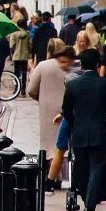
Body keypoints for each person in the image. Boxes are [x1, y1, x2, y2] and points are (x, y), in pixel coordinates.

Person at [60, 48, 106, 211]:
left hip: (78, 134)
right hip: (99, 133)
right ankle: (90, 206)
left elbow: (66, 110)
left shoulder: (72, 85)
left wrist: (73, 124)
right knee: (96, 169)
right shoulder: (104, 84)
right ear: (96, 64)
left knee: (82, 170)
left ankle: (88, 201)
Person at [25, 39, 74, 188]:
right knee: (63, 143)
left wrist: (41, 97)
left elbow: (31, 89)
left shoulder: (42, 66)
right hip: (67, 106)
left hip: (47, 108)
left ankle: (51, 177)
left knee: (48, 144)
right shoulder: (70, 65)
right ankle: (61, 176)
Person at [7, 20, 31, 94]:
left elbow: (12, 45)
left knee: (16, 72)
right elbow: (30, 44)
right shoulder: (27, 33)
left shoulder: (14, 33)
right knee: (24, 72)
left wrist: (12, 53)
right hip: (25, 55)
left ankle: (17, 88)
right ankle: (23, 89)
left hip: (16, 55)